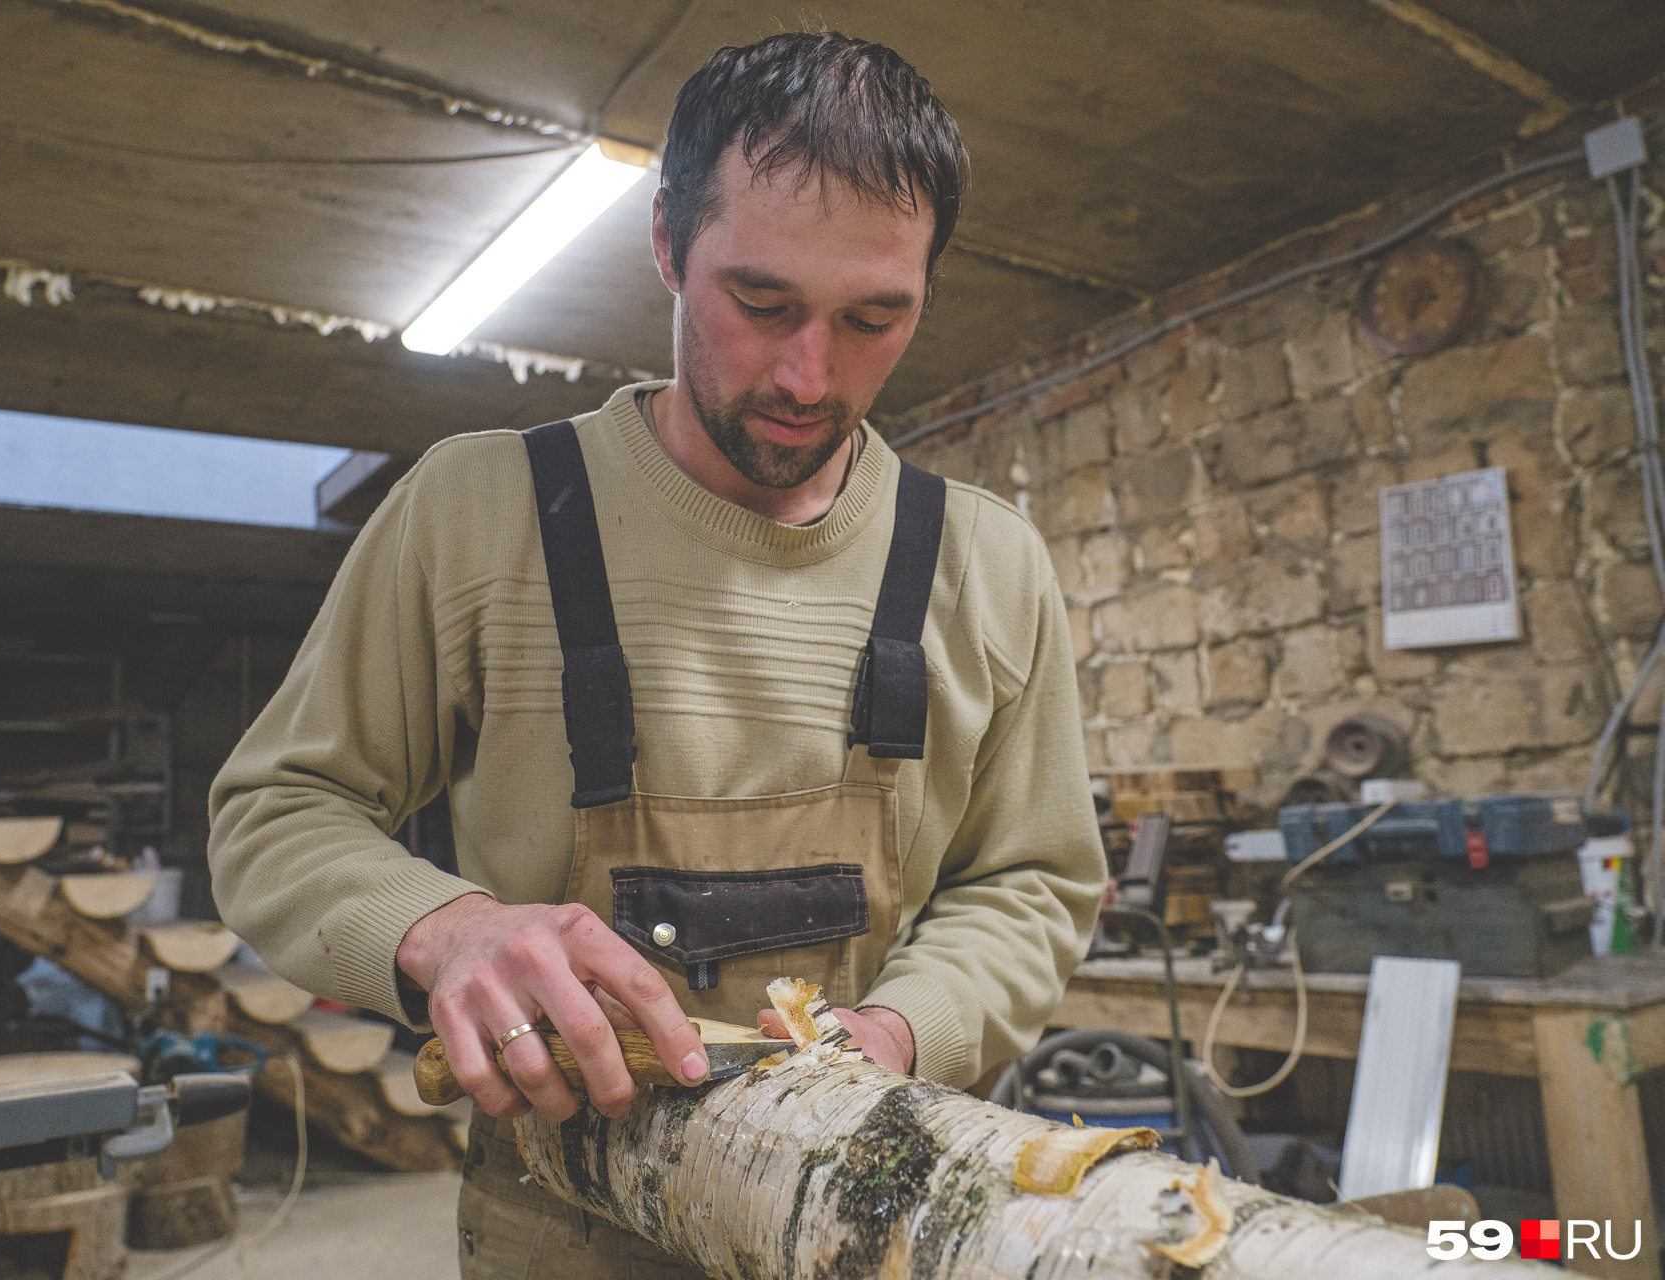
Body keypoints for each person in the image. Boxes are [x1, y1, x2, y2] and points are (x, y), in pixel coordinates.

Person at [210, 30, 1106, 1279]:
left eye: (874, 318)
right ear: (667, 244)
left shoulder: (989, 563)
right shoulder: (479, 511)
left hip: (873, 1221)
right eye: (761, 302)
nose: (809, 374)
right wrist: (447, 927)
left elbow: (1032, 881)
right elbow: (276, 809)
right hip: (565, 1228)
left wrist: (902, 1029)